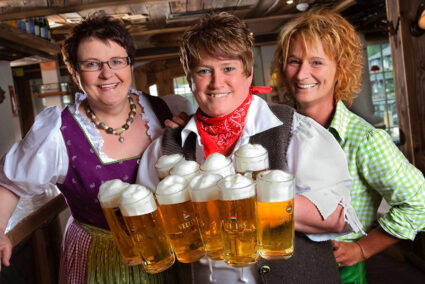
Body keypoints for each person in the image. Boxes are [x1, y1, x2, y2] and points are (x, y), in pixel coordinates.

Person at [138, 12, 364, 283]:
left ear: (248, 72)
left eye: (228, 68)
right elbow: (152, 228)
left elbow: (335, 217)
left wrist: (242, 197)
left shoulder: (295, 131)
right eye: (203, 71)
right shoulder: (166, 147)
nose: (216, 82)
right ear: (190, 79)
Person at [0, 15, 189, 283]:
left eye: (116, 61)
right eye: (92, 64)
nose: (107, 73)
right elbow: (10, 183)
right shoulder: (57, 132)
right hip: (98, 259)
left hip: (164, 250)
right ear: (76, 74)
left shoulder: (163, 110)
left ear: (129, 65)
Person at [273, 9, 425, 284]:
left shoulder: (364, 140)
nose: (302, 73)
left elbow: (419, 202)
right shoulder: (274, 129)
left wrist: (362, 248)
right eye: (294, 61)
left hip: (338, 272)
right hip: (281, 269)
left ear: (340, 70)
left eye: (317, 62)